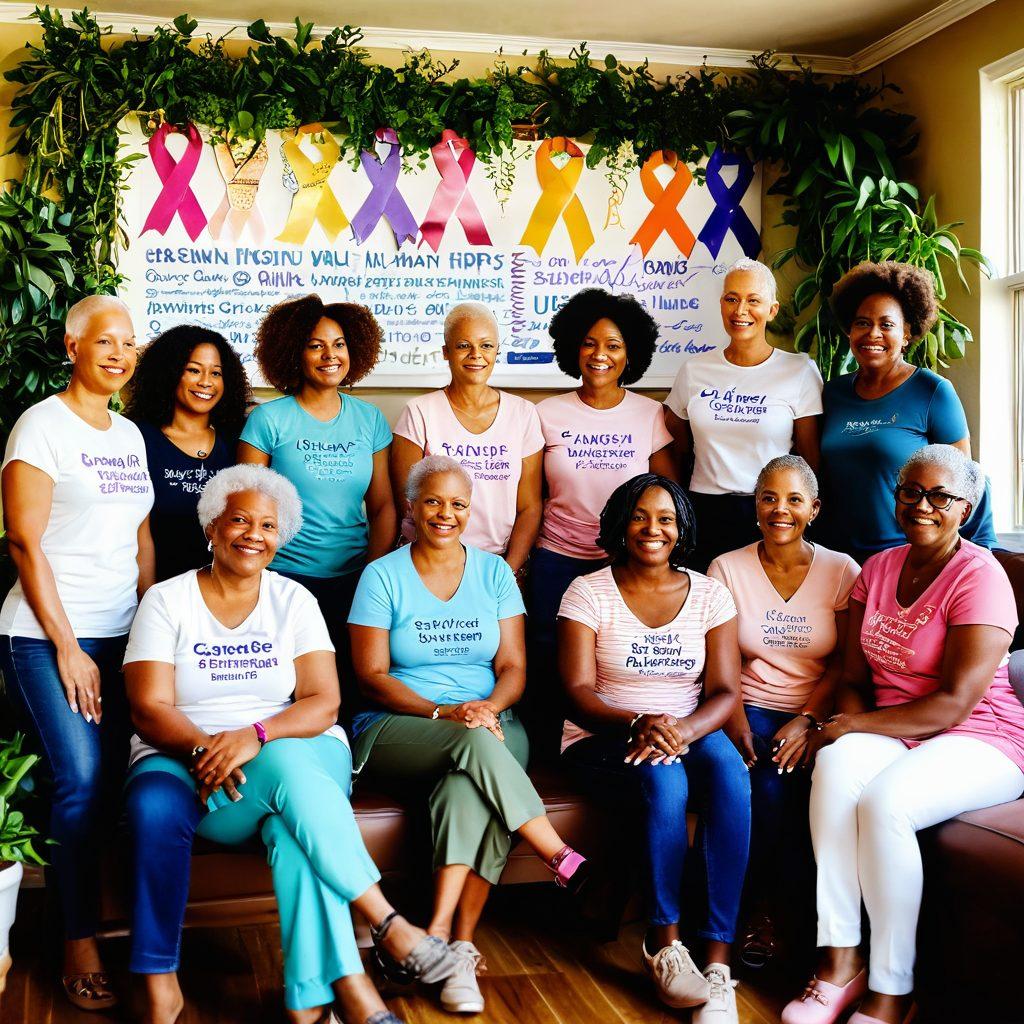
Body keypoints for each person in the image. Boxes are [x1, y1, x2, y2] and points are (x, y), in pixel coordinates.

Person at [123, 465, 462, 1024]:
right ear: (211, 527)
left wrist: (255, 734)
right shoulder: (167, 600)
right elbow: (149, 707)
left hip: (298, 745)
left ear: (281, 538)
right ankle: (378, 937)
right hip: (196, 761)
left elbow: (323, 703)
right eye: (239, 520)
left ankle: (313, 1003)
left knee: (282, 765)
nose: (254, 534)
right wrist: (214, 746)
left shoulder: (295, 600)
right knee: (285, 823)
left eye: (268, 525)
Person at [781, 446, 1024, 1024]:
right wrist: (845, 727)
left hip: (982, 737)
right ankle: (840, 963)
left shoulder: (980, 576)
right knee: (836, 768)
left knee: (885, 802)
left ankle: (892, 991)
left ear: (964, 508)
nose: (922, 505)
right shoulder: (879, 569)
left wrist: (848, 726)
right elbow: (852, 677)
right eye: (910, 492)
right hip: (896, 727)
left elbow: (955, 702)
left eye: (940, 496)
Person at [348, 455, 590, 1017]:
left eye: (458, 503)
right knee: (477, 746)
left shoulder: (495, 573)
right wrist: (445, 711)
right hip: (401, 725)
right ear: (410, 507)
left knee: (468, 784)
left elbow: (513, 669)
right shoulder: (382, 575)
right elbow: (372, 677)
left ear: (471, 509)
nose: (445, 513)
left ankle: (447, 943)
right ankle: (554, 849)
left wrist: (486, 709)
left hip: (490, 720)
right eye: (432, 501)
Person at [0, 295, 154, 1012]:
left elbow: (140, 540)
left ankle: (116, 925)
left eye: (129, 343)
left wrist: (152, 631)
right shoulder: (41, 426)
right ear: (72, 345)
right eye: (105, 341)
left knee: (122, 787)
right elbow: (24, 541)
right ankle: (76, 940)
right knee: (82, 780)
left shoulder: (127, 434)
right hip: (45, 636)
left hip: (125, 634)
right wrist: (67, 645)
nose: (119, 353)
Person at [559, 473, 750, 1024]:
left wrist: (683, 731)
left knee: (732, 774)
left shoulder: (710, 593)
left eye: (666, 518)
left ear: (682, 528)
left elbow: (724, 692)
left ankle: (717, 963)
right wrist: (640, 721)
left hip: (688, 729)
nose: (653, 528)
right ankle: (665, 945)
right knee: (665, 776)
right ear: (620, 523)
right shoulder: (588, 591)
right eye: (641, 516)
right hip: (603, 734)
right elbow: (575, 693)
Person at [708, 456, 859, 968]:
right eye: (769, 498)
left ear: (813, 509)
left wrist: (810, 719)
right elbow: (720, 663)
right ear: (755, 507)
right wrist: (737, 724)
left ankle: (777, 912)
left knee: (781, 786)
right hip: (745, 707)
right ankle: (753, 914)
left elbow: (844, 663)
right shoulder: (727, 568)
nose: (780, 509)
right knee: (755, 783)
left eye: (794, 499)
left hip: (816, 711)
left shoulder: (842, 570)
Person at [238, 294, 396, 709]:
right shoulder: (268, 420)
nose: (330, 355)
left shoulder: (369, 419)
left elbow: (382, 506)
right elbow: (244, 509)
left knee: (349, 688)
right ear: (294, 352)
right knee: (291, 689)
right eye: (315, 345)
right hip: (282, 578)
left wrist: (373, 573)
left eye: (339, 343)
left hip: (355, 579)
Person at [531, 288, 675, 699]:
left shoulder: (649, 414)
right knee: (549, 656)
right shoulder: (546, 413)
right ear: (573, 347)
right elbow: (531, 496)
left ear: (631, 354)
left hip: (625, 563)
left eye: (613, 345)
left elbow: (668, 495)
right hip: (556, 558)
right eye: (589, 343)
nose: (600, 355)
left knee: (612, 660)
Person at [819, 260, 997, 562]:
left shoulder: (932, 391)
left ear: (906, 334)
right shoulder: (832, 393)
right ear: (849, 330)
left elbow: (963, 485)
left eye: (886, 325)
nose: (873, 333)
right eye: (862, 322)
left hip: (907, 557)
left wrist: (971, 562)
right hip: (837, 558)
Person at [664, 258, 823, 572]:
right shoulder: (695, 370)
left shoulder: (799, 370)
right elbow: (677, 448)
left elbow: (810, 461)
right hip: (704, 511)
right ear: (721, 304)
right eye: (731, 299)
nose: (740, 311)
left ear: (772, 310)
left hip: (770, 513)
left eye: (753, 301)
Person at [390, 303, 543, 577]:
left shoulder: (523, 413)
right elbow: (407, 503)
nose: (476, 355)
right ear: (446, 352)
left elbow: (530, 506)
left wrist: (510, 569)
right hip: (428, 562)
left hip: (497, 563)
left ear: (498, 350)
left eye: (486, 346)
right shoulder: (420, 412)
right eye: (463, 345)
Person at [125, 324, 250, 581]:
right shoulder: (137, 438)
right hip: (157, 588)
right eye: (193, 370)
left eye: (216, 373)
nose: (206, 382)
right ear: (170, 373)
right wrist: (147, 601)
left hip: (222, 591)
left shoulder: (238, 440)